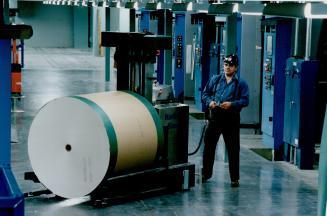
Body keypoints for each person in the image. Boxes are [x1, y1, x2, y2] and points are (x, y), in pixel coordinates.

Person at [201, 54, 249, 187]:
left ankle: (234, 178)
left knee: (233, 148)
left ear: (236, 67)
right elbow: (205, 94)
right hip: (215, 116)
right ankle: (206, 174)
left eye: (231, 65)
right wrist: (209, 102)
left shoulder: (241, 83)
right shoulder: (215, 79)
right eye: (226, 65)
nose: (227, 68)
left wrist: (232, 104)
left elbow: (245, 100)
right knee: (209, 146)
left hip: (231, 119)